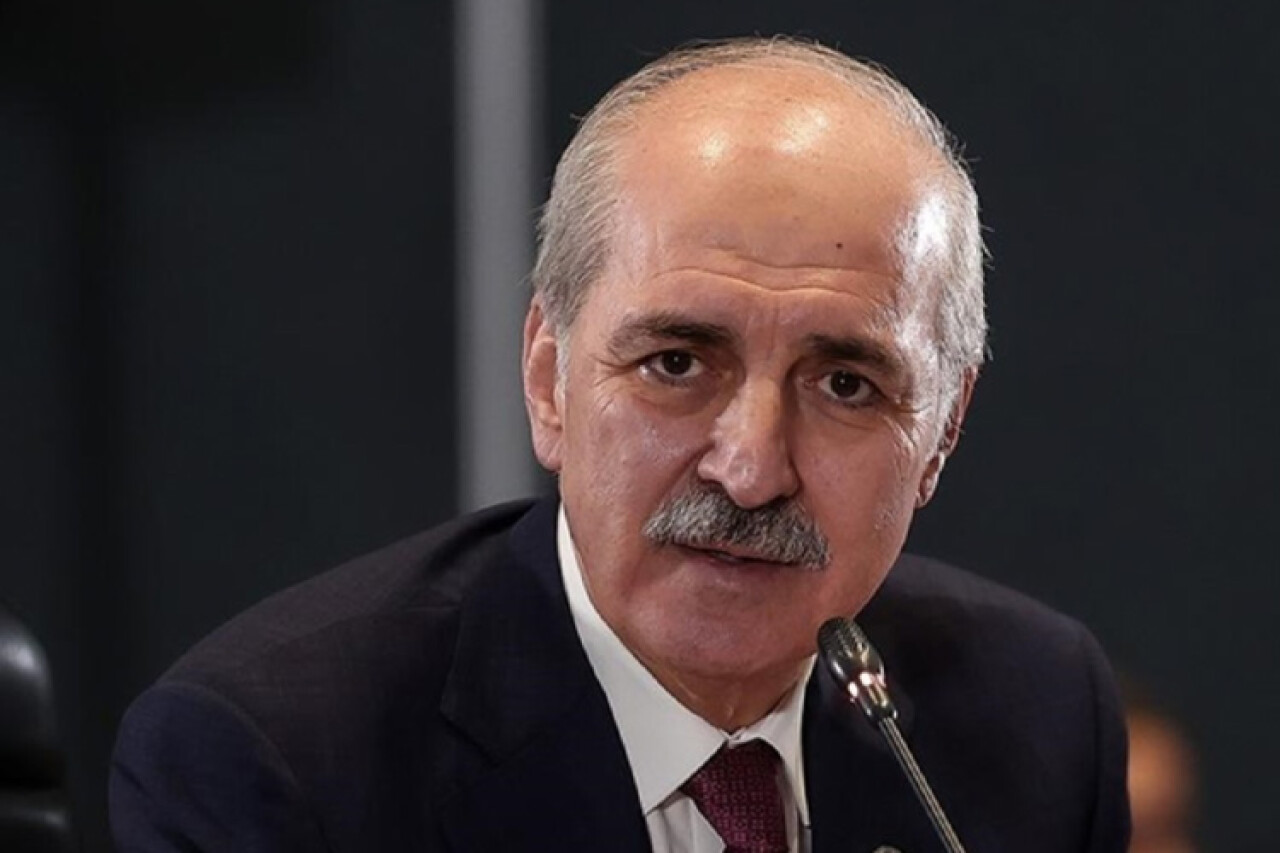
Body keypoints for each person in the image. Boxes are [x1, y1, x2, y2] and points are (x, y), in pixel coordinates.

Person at [110, 37, 1129, 852]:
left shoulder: (1037, 715)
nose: (751, 469)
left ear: (942, 429)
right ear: (548, 381)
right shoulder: (278, 763)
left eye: (844, 385)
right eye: (677, 364)